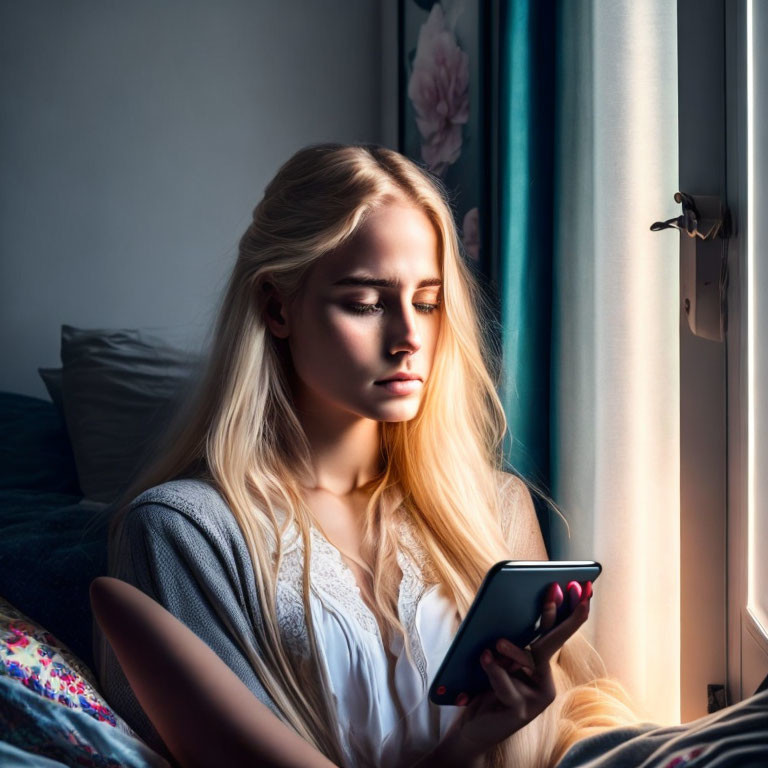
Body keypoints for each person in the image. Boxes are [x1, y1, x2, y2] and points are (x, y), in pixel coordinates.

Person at [92, 142, 642, 768]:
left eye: (428, 302)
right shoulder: (183, 531)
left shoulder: (492, 507)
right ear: (276, 306)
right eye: (366, 302)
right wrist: (464, 745)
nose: (409, 337)